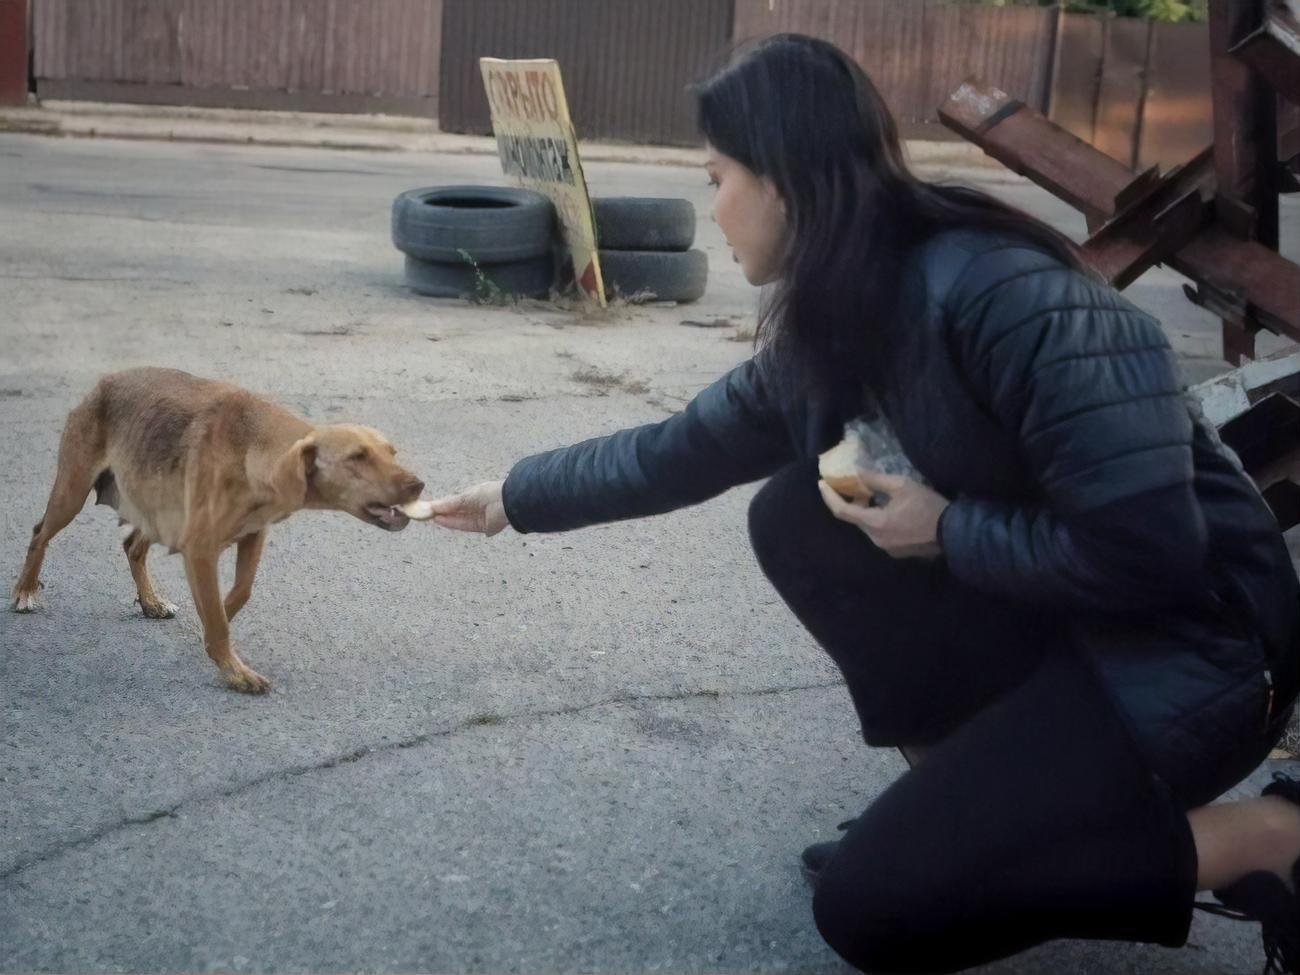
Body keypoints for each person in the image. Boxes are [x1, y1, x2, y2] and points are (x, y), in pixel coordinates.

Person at [429, 33, 1300, 975]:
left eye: (717, 175)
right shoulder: (842, 309)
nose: (710, 205)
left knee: (875, 909)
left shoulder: (1019, 301)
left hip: (1203, 656)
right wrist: (511, 497)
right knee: (796, 516)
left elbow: (1152, 556)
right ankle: (956, 805)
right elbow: (678, 450)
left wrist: (947, 529)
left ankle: (1267, 838)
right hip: (1076, 623)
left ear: (785, 181)